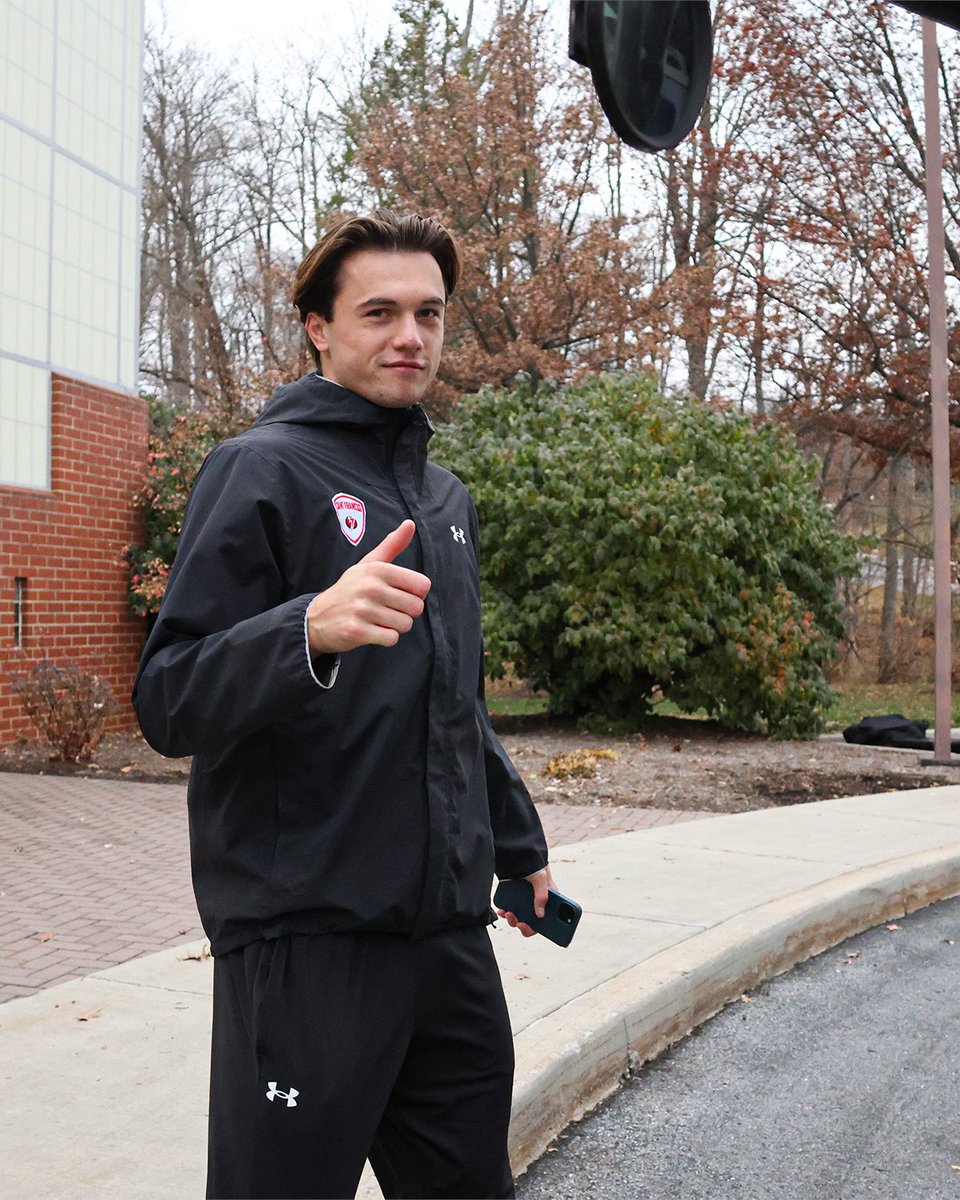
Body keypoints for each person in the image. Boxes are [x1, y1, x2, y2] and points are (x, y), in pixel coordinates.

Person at [132, 209, 554, 1200]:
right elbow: (167, 697)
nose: (411, 336)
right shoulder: (260, 471)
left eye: (430, 314)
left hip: (447, 950)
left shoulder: (442, 503)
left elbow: (454, 703)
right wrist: (305, 631)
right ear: (319, 327)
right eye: (380, 312)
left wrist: (516, 844)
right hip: (307, 948)